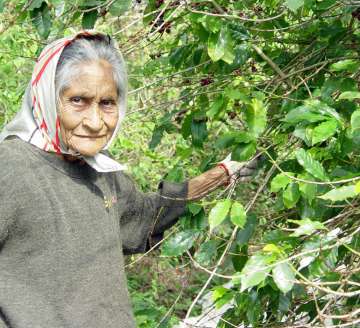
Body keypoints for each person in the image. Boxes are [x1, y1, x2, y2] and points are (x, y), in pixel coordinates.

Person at [0, 31, 257, 328]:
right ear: (46, 98)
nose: (96, 122)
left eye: (107, 103)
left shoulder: (100, 173)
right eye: (78, 101)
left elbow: (146, 216)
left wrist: (222, 174)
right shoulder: (11, 167)